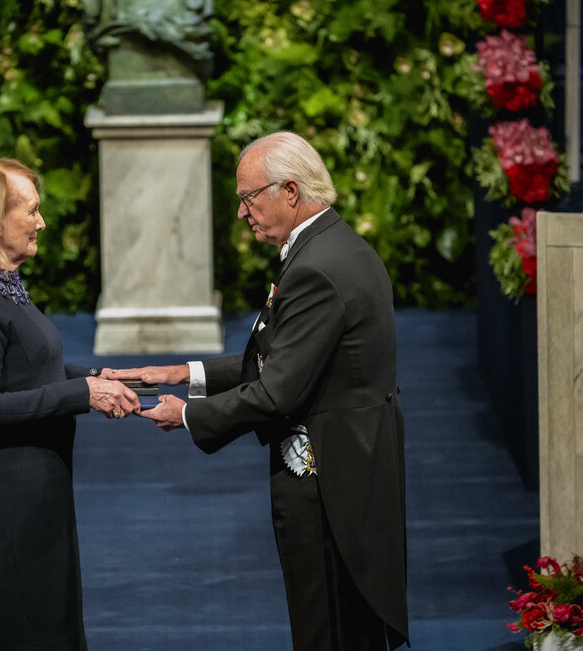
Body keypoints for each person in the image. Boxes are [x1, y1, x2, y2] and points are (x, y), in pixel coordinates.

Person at [109, 132, 409, 650]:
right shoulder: (333, 247)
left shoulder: (317, 267)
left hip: (328, 488)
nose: (244, 212)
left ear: (289, 191)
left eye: (249, 197)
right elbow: (286, 357)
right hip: (349, 472)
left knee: (329, 631)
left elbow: (278, 393)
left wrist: (185, 415)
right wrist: (186, 373)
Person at [0, 157, 140, 650]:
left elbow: (30, 367)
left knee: (49, 622)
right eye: (31, 211)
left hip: (34, 483)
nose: (42, 222)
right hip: (6, 492)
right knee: (24, 627)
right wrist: (83, 393)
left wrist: (97, 379)